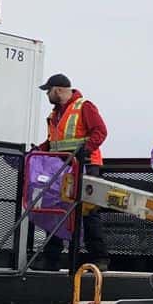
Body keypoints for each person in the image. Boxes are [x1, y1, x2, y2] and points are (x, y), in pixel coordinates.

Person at [36, 74, 109, 268]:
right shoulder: (55, 114)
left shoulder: (84, 106)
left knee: (88, 211)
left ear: (58, 90)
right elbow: (54, 143)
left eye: (48, 91)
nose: (47, 95)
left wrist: (82, 153)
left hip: (85, 165)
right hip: (63, 167)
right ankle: (52, 258)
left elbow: (100, 132)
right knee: (56, 208)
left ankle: (99, 258)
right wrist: (37, 152)